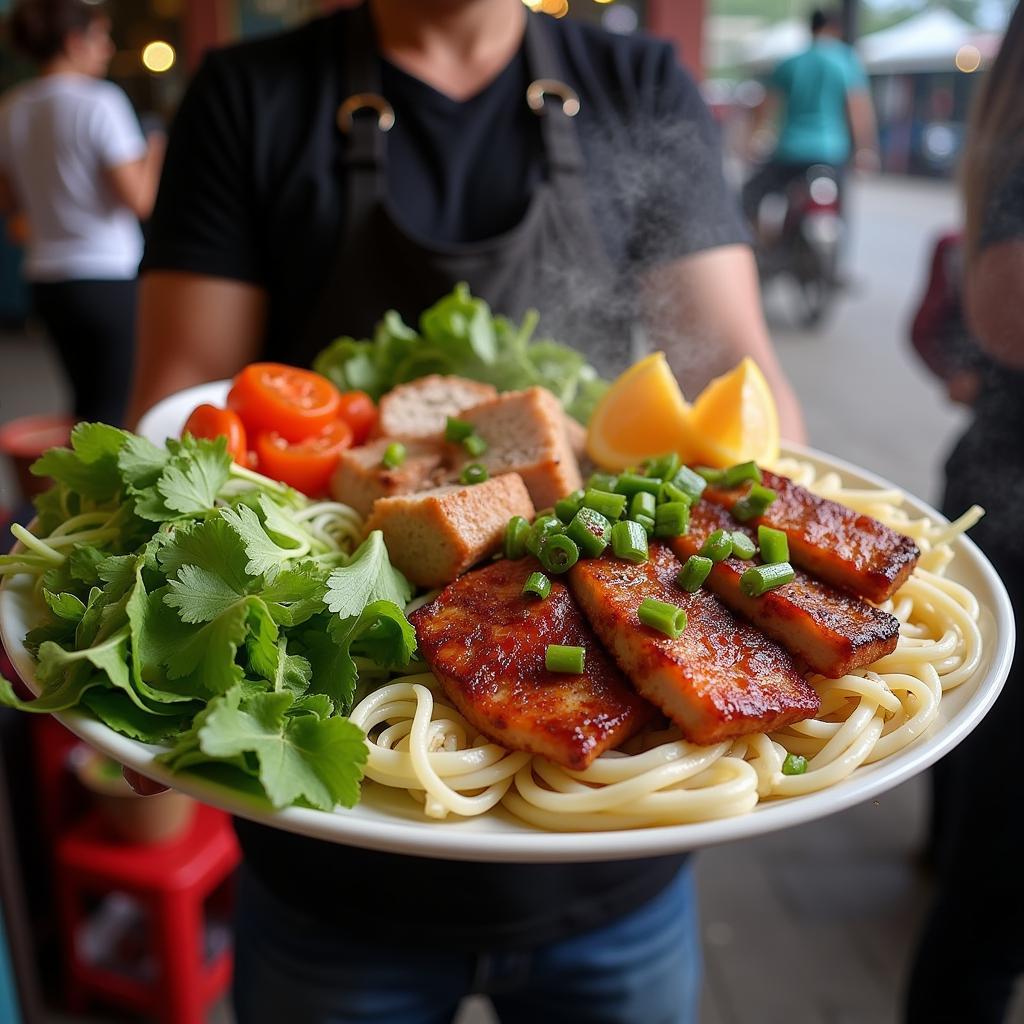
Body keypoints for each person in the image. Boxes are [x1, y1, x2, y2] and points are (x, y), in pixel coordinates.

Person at [127, 2, 806, 1021]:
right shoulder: (248, 92)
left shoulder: (639, 83)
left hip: (621, 852)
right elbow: (183, 395)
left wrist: (767, 582)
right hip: (325, 837)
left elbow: (732, 366)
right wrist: (137, 611)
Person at [905, 5, 1024, 1021]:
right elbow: (1005, 314)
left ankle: (938, 838)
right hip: (1016, 513)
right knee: (996, 889)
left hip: (992, 482)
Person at [0, 0, 164, 425]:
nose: (108, 48)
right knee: (120, 412)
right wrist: (156, 150)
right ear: (76, 41)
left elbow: (9, 204)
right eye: (102, 37)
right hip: (108, 276)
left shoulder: (12, 107)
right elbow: (140, 199)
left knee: (87, 408)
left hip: (47, 279)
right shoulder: (100, 101)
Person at [742, 7, 878, 228]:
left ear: (811, 29)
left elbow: (765, 107)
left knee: (751, 195)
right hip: (831, 153)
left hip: (790, 151)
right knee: (838, 210)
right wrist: (865, 148)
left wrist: (755, 138)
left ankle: (756, 247)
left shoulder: (790, 63)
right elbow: (858, 110)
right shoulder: (846, 60)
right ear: (834, 30)